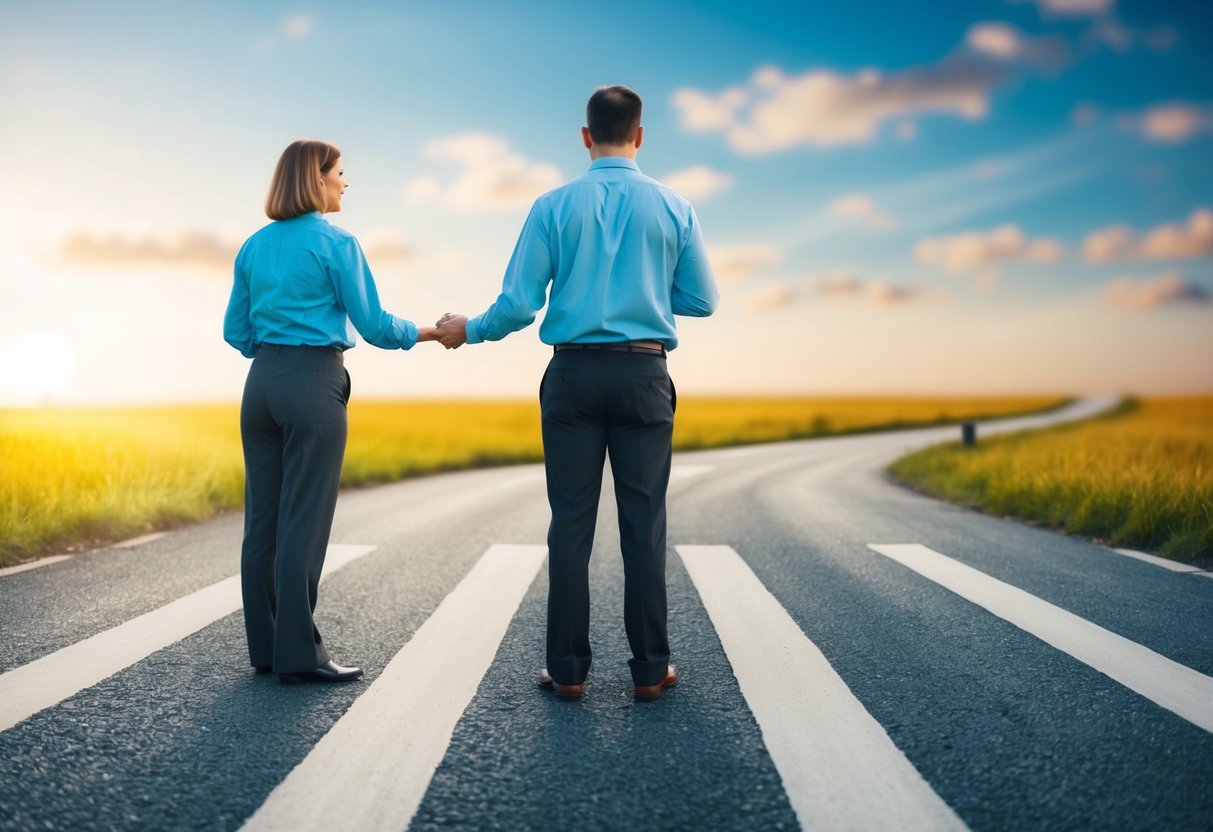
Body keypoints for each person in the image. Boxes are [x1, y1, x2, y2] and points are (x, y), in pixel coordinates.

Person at [436, 85, 719, 702]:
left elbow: (518, 303)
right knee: (643, 526)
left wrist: (469, 330)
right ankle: (650, 670)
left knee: (570, 524)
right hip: (645, 375)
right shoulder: (676, 206)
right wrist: (639, 293)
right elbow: (702, 300)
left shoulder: (552, 205)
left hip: (571, 378)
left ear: (586, 137)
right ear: (640, 135)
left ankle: (566, 671)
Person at [224, 140, 438, 684]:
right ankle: (301, 656)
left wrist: (274, 352)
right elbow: (374, 325)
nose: (345, 183)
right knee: (304, 522)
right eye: (340, 173)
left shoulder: (252, 246)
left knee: (263, 523)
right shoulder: (337, 243)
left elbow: (235, 332)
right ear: (316, 180)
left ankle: (268, 650)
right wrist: (429, 332)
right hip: (313, 381)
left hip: (260, 385)